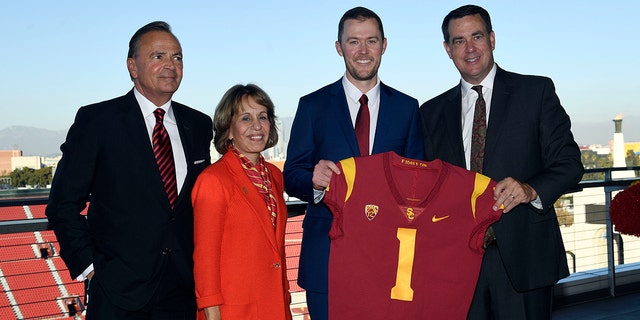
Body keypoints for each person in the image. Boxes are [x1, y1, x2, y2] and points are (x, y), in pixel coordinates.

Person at [420, 4, 583, 319]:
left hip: (524, 257)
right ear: (447, 49)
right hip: (457, 264)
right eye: (458, 41)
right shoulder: (431, 113)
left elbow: (569, 163)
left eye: (477, 36)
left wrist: (530, 189)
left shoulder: (535, 92)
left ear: (492, 39)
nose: (469, 48)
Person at [45, 21, 213, 319]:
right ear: (132, 67)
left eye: (177, 57)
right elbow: (62, 203)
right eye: (158, 56)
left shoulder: (198, 124)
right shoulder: (98, 121)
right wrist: (91, 268)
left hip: (182, 290)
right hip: (117, 293)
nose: (170, 65)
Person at [283, 6, 424, 320]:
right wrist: (313, 180)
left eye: (371, 41)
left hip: (390, 261)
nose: (363, 51)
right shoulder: (312, 106)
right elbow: (291, 176)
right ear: (339, 47)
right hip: (326, 258)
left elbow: (419, 183)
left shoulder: (407, 108)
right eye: (353, 42)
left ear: (384, 45)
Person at [192, 84, 292, 320]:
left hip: (275, 307)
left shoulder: (274, 176)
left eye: (263, 117)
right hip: (233, 312)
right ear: (228, 129)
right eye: (246, 118)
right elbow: (206, 259)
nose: (257, 126)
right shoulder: (213, 180)